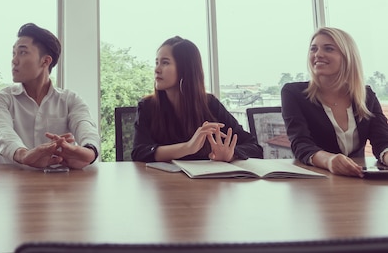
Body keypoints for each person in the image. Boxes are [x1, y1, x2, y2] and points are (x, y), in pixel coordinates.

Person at [0, 23, 100, 169]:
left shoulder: (71, 100)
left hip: (60, 187)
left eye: (22, 52)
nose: (14, 60)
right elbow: (1, 134)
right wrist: (24, 155)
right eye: (13, 53)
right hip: (10, 187)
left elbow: (86, 128)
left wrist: (89, 152)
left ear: (45, 61)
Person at [132, 36, 262, 162]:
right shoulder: (147, 106)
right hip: (161, 183)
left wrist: (231, 155)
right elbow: (139, 152)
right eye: (157, 62)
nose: (157, 69)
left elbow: (254, 147)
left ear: (185, 69)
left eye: (165, 63)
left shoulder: (209, 103)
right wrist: (188, 147)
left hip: (206, 182)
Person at [281, 27, 388, 177]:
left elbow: (382, 140)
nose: (318, 54)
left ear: (347, 56)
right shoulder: (293, 93)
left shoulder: (366, 95)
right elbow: (300, 143)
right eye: (313, 49)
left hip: (358, 180)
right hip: (314, 182)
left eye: (328, 49)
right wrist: (329, 160)